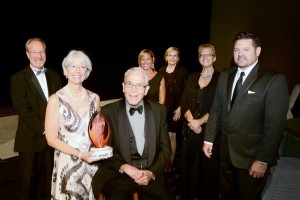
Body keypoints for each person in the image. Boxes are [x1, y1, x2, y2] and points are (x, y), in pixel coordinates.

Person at [202, 31, 289, 200]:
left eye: (246, 49)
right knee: (227, 195)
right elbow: (216, 109)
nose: (240, 54)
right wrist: (209, 139)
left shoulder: (273, 79)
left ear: (258, 52)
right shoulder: (225, 75)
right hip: (225, 153)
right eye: (236, 50)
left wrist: (263, 160)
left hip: (252, 158)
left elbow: (275, 125)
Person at [91, 67, 173, 200]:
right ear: (123, 87)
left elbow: (166, 150)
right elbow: (105, 150)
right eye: (129, 84)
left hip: (150, 172)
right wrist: (125, 167)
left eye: (139, 85)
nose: (133, 89)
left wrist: (151, 173)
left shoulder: (159, 111)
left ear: (146, 90)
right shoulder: (108, 112)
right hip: (120, 174)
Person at [10, 38, 62, 200]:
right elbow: (24, 112)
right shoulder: (18, 79)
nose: (38, 55)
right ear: (27, 54)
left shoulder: (54, 76)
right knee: (28, 188)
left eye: (41, 51)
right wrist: (48, 129)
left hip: (52, 143)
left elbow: (61, 105)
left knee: (49, 186)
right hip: (30, 141)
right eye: (34, 52)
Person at [45, 50, 101, 199]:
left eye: (82, 67)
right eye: (73, 66)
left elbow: (97, 132)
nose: (78, 70)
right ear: (65, 70)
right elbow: (51, 139)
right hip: (67, 165)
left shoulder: (94, 98)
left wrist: (101, 149)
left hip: (92, 163)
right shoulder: (55, 99)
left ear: (87, 71)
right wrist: (80, 155)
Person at [179, 44, 220, 200]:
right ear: (198, 58)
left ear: (214, 57)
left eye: (209, 55)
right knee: (189, 166)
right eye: (202, 55)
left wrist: (200, 122)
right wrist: (192, 122)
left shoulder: (220, 78)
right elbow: (184, 102)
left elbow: (219, 106)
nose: (205, 57)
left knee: (207, 169)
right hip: (190, 129)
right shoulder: (192, 77)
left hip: (209, 131)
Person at [159, 47, 189, 171]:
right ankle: (162, 160)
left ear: (178, 58)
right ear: (166, 57)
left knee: (171, 136)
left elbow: (187, 92)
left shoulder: (183, 72)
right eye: (169, 55)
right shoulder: (160, 70)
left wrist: (180, 108)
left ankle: (169, 163)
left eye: (175, 55)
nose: (172, 58)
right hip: (163, 109)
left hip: (176, 110)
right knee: (162, 135)